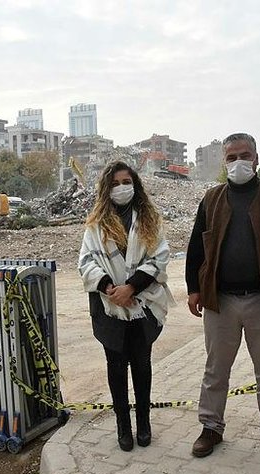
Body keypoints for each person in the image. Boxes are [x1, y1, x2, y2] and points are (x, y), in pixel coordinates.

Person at [185, 133, 260, 459]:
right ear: (224, 162)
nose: (238, 162)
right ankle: (210, 427)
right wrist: (193, 289)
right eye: (231, 157)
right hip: (219, 301)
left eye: (244, 155)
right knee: (215, 371)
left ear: (256, 158)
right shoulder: (211, 200)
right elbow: (196, 248)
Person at [78, 160, 175, 451]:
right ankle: (123, 425)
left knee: (142, 365)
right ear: (107, 189)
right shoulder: (95, 224)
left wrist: (132, 287)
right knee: (116, 367)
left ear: (135, 184)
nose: (122, 188)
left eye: (127, 182)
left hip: (142, 304)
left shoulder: (149, 220)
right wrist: (110, 288)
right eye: (116, 183)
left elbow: (159, 258)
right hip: (109, 307)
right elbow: (86, 261)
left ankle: (143, 422)